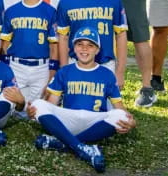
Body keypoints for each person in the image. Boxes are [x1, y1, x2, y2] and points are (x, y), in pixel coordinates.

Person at [27, 26, 136, 173]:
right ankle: (81, 147)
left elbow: (119, 106)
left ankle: (63, 143)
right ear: (74, 47)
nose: (84, 49)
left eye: (90, 45)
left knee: (120, 115)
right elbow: (52, 103)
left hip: (94, 122)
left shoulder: (106, 74)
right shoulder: (65, 71)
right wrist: (35, 112)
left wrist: (131, 121)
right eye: (80, 44)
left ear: (97, 50)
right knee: (39, 104)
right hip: (69, 119)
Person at [56, 0, 130, 101]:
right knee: (76, 108)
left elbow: (121, 36)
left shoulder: (113, 0)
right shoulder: (66, 2)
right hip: (75, 62)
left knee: (106, 113)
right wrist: (64, 70)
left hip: (105, 63)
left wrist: (120, 71)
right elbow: (63, 38)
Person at [0, 0, 58, 107]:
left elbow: (53, 47)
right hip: (16, 65)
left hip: (41, 67)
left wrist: (51, 75)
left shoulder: (50, 11)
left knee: (39, 110)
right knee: (7, 108)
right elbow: (4, 45)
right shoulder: (11, 11)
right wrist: (6, 71)